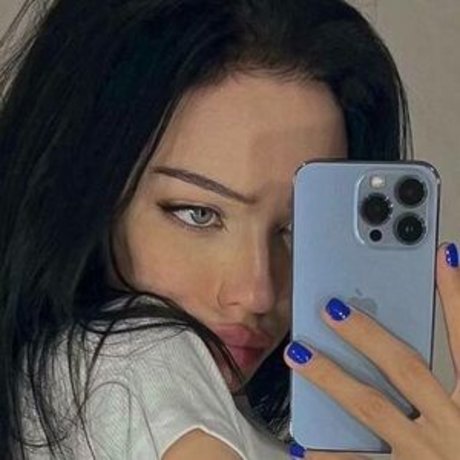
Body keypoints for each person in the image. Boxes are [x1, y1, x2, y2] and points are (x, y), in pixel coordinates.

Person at [1, 0, 459, 458]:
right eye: (197, 214)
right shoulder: (141, 356)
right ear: (85, 195)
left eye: (301, 229)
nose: (258, 292)